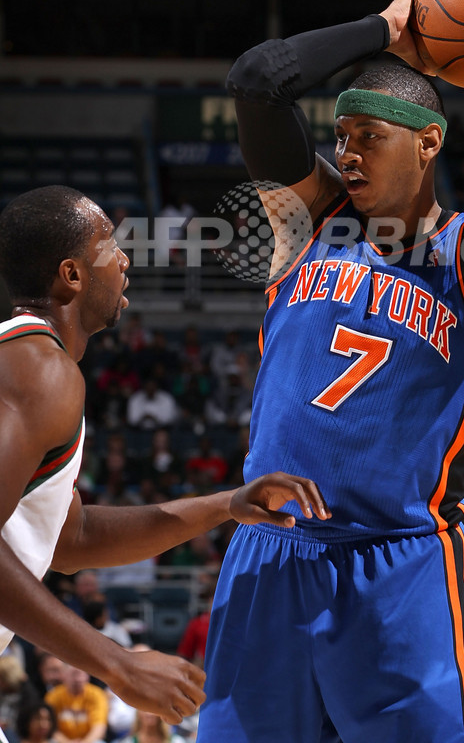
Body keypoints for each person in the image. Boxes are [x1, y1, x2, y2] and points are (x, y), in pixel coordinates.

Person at [196, 0, 464, 742]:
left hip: (399, 568)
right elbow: (256, 81)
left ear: (427, 143)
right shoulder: (306, 221)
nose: (346, 154)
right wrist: (386, 29)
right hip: (269, 556)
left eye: (368, 137)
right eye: (341, 137)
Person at [0, 186, 330, 743]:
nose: (125, 259)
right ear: (72, 276)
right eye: (110, 246)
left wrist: (225, 505)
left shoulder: (30, 364)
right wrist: (117, 664)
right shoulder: (40, 369)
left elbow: (73, 538)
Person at [44, 663, 108, 743]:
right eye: (74, 674)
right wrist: (67, 742)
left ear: (87, 676)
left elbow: (99, 727)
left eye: (81, 674)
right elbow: (51, 728)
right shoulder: (53, 696)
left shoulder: (97, 694)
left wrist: (85, 742)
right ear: (64, 675)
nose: (78, 679)